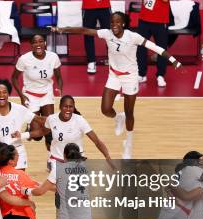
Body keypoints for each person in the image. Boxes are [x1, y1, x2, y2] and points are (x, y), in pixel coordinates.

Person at [53, 12, 183, 159]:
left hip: (130, 76)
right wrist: (62, 29)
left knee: (129, 113)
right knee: (105, 109)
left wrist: (174, 60)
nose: (114, 25)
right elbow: (84, 30)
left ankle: (128, 143)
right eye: (112, 22)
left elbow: (156, 48)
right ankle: (117, 117)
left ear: (123, 24)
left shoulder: (133, 36)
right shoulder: (107, 34)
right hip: (114, 75)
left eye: (117, 22)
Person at [23, 95, 114, 176]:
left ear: (74, 108)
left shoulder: (80, 120)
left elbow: (97, 141)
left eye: (71, 107)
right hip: (57, 159)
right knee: (62, 186)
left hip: (76, 159)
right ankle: (51, 170)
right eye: (65, 106)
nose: (68, 109)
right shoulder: (52, 119)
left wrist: (108, 157)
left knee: (77, 188)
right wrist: (22, 135)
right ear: (60, 107)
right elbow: (42, 131)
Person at [11, 35, 62, 160]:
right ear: (31, 45)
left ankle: (51, 159)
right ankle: (30, 127)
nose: (38, 44)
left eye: (40, 41)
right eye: (34, 42)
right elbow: (14, 78)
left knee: (49, 129)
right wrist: (22, 96)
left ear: (45, 43)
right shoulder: (24, 59)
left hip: (47, 94)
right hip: (30, 96)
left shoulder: (53, 57)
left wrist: (60, 88)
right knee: (37, 136)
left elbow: (59, 77)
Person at [136, 0, 177, 87]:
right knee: (141, 48)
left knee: (161, 49)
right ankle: (141, 74)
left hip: (160, 20)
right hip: (144, 19)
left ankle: (160, 75)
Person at [0, 79, 45, 170]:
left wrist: (58, 119)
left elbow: (40, 120)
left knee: (18, 182)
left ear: (8, 94)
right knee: (1, 183)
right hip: (0, 152)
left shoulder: (19, 109)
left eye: (4, 92)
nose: (1, 95)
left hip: (17, 151)